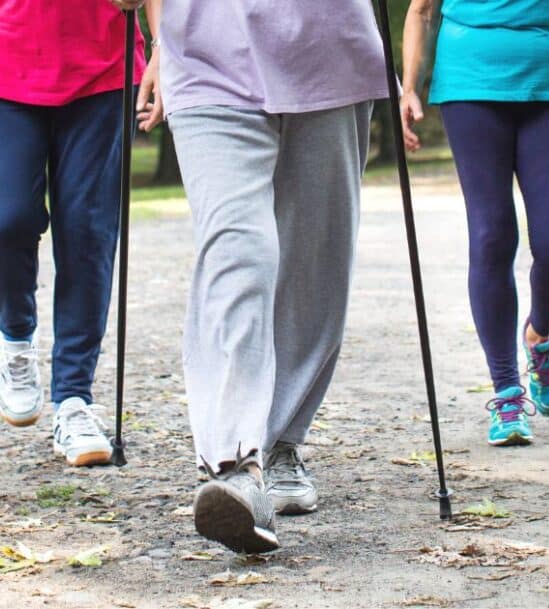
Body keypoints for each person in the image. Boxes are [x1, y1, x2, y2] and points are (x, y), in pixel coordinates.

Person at [134, 0, 385, 553]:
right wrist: (153, 40)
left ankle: (280, 440)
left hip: (330, 55)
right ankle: (233, 464)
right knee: (237, 247)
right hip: (205, 58)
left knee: (315, 265)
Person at [0, 0, 148, 466]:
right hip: (0, 57)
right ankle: (15, 338)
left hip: (103, 64)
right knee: (7, 220)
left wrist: (163, 49)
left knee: (89, 233)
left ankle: (74, 399)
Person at [400, 0, 549, 446]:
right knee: (491, 236)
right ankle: (507, 392)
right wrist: (409, 86)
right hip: (471, 81)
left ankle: (539, 336)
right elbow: (422, 10)